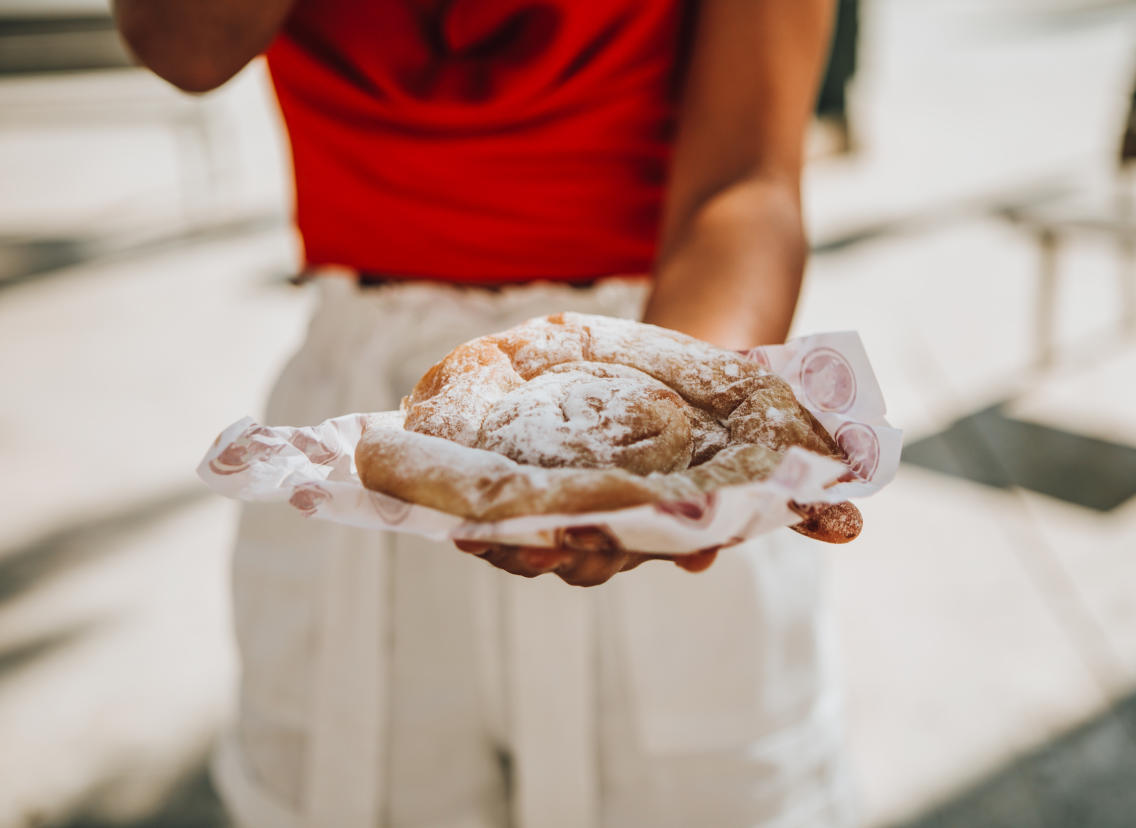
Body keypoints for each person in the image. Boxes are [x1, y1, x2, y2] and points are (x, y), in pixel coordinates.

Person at [114, 1, 861, 825]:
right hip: (369, 420)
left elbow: (746, 179)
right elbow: (184, 46)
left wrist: (675, 444)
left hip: (662, 355)